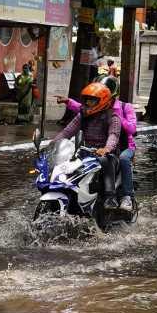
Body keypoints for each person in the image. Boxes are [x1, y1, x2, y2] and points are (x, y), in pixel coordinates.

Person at [55, 75, 137, 211]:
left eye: (92, 101)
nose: (88, 104)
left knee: (110, 160)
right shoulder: (84, 114)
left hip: (112, 150)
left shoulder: (116, 114)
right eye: (87, 100)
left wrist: (107, 148)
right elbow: (67, 132)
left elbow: (114, 135)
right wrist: (52, 144)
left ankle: (112, 197)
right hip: (86, 150)